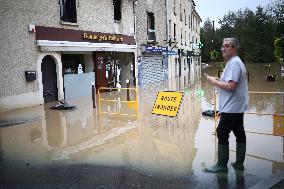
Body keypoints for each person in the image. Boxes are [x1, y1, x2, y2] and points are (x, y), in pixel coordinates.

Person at [204, 38, 249, 173]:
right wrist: (219, 80)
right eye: (223, 46)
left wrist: (214, 81)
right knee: (239, 132)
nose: (223, 48)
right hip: (236, 106)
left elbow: (231, 86)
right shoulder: (234, 62)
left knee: (222, 132)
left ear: (235, 48)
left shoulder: (234, 63)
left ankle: (222, 165)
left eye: (227, 46)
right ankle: (239, 164)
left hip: (231, 107)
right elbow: (229, 81)